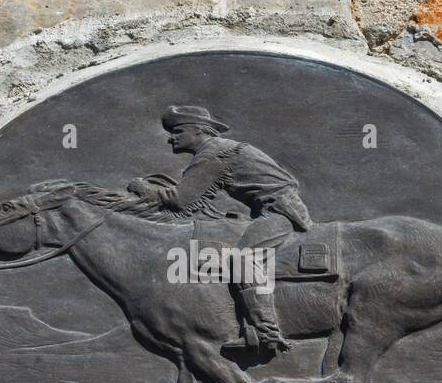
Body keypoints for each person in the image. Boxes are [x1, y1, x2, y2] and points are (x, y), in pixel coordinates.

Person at [128, 105, 311, 354]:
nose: (171, 137)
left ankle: (267, 333)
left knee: (244, 257)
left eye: (178, 131)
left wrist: (143, 189)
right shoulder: (220, 151)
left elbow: (181, 199)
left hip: (279, 212)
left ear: (199, 130)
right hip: (265, 210)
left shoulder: (215, 153)